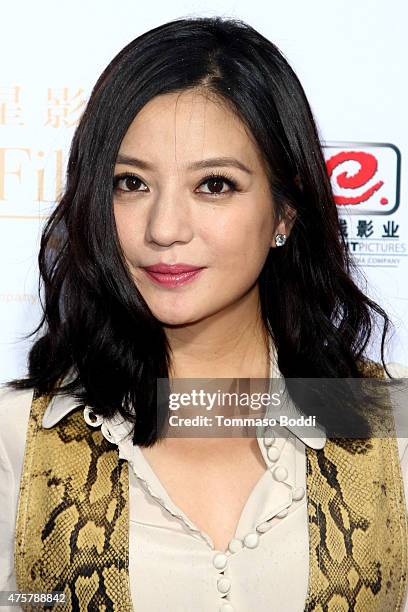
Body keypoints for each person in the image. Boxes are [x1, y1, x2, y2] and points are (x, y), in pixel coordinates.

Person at [0, 15, 407, 612]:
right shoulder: (19, 438)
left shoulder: (391, 426)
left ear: (285, 212)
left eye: (214, 185)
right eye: (130, 183)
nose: (164, 229)